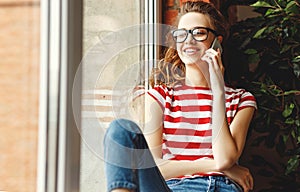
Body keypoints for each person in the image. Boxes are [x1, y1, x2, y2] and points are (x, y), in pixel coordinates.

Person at [104, 1, 257, 192]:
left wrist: (218, 91)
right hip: (170, 189)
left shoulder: (242, 100)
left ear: (217, 41)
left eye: (199, 33)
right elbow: (155, 166)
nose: (189, 40)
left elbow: (226, 158)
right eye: (182, 34)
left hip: (220, 188)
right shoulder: (160, 96)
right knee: (120, 130)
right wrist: (219, 167)